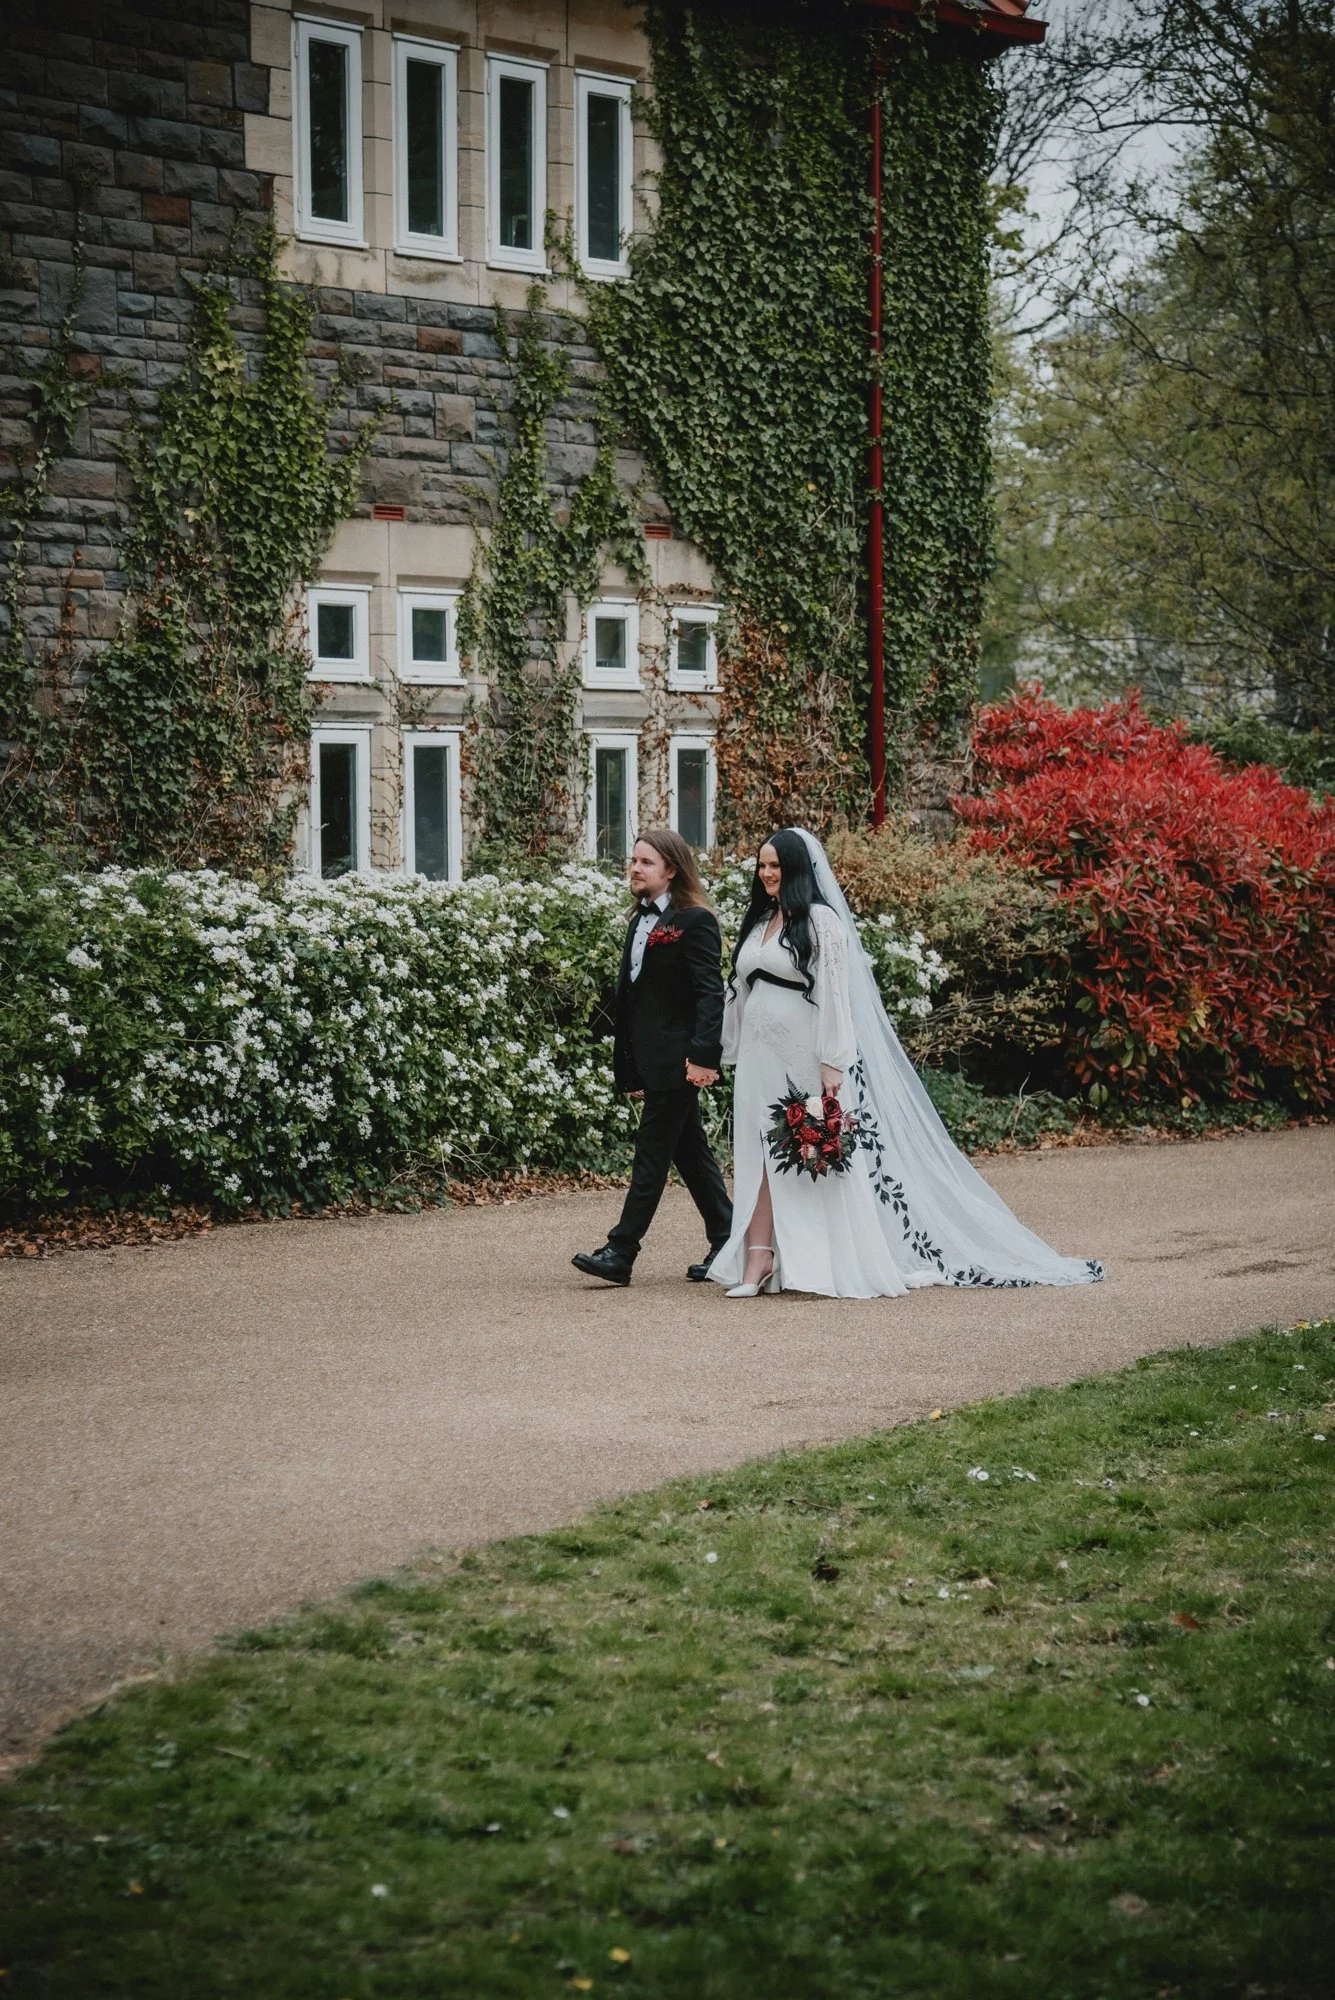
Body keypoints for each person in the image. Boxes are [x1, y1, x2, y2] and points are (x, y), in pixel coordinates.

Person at [709, 827, 1105, 1300]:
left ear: (796, 869)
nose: (767, 873)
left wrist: (833, 1062)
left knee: (808, 1151)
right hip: (759, 1055)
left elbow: (836, 995)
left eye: (776, 865)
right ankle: (759, 1258)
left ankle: (808, 1260)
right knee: (757, 1150)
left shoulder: (820, 923)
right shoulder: (761, 922)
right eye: (763, 865)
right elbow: (740, 988)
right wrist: (722, 1046)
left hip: (802, 1051)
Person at [573, 829, 733, 1287]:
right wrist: (631, 1067)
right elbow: (633, 1003)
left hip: (681, 1062)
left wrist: (704, 1057)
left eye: (645, 862)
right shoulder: (638, 921)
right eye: (634, 860)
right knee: (690, 1153)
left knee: (651, 1155)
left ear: (671, 870)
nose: (635, 868)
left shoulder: (695, 921)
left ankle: (621, 1250)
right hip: (653, 1060)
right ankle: (728, 1239)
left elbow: (709, 996)